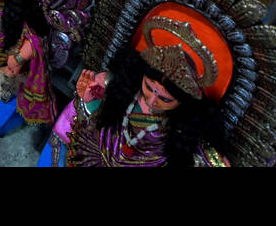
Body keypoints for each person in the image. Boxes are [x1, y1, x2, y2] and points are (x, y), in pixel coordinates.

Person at [56, 46, 229, 166]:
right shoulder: (120, 92)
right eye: (149, 87)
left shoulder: (178, 129)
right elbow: (92, 123)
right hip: (91, 157)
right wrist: (88, 100)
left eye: (165, 99)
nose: (153, 100)